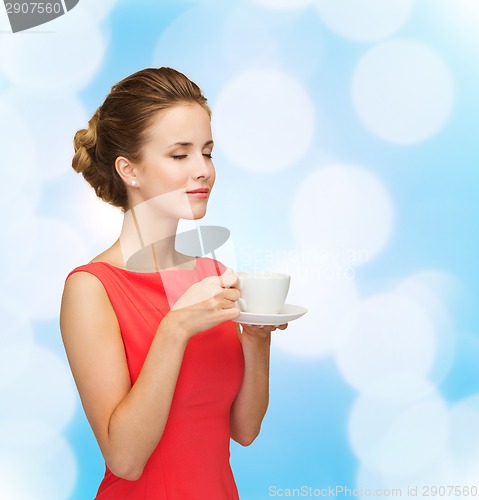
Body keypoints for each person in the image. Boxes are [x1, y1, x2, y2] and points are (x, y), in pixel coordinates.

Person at [60, 67, 287, 499]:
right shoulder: (92, 289)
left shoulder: (211, 276)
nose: (202, 170)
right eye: (180, 155)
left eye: (208, 151)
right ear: (130, 169)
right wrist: (176, 327)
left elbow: (244, 429)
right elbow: (125, 460)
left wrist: (257, 340)